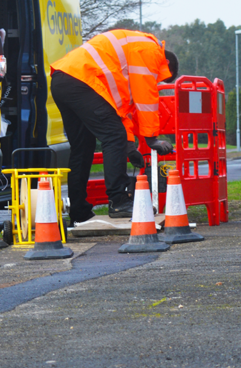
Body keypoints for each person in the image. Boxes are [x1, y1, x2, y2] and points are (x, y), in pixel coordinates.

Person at [50, 29, 178, 223]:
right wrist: (151, 138)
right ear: (165, 63)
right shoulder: (151, 51)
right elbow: (146, 98)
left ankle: (78, 211)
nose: (157, 78)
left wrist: (129, 145)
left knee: (83, 148)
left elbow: (120, 111)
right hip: (82, 81)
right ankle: (119, 201)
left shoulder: (131, 53)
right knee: (113, 136)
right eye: (161, 76)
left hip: (64, 79)